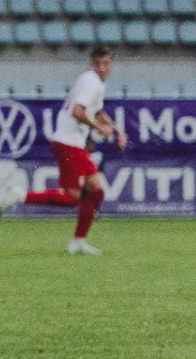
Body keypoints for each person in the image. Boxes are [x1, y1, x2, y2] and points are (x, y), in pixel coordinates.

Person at [7, 46, 122, 254]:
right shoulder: (93, 82)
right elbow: (78, 112)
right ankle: (21, 196)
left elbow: (97, 110)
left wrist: (114, 129)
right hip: (68, 143)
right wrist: (100, 129)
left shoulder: (89, 80)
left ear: (111, 64)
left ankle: (78, 242)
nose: (102, 68)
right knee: (72, 197)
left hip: (72, 143)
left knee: (96, 191)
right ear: (92, 63)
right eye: (98, 63)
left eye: (106, 63)